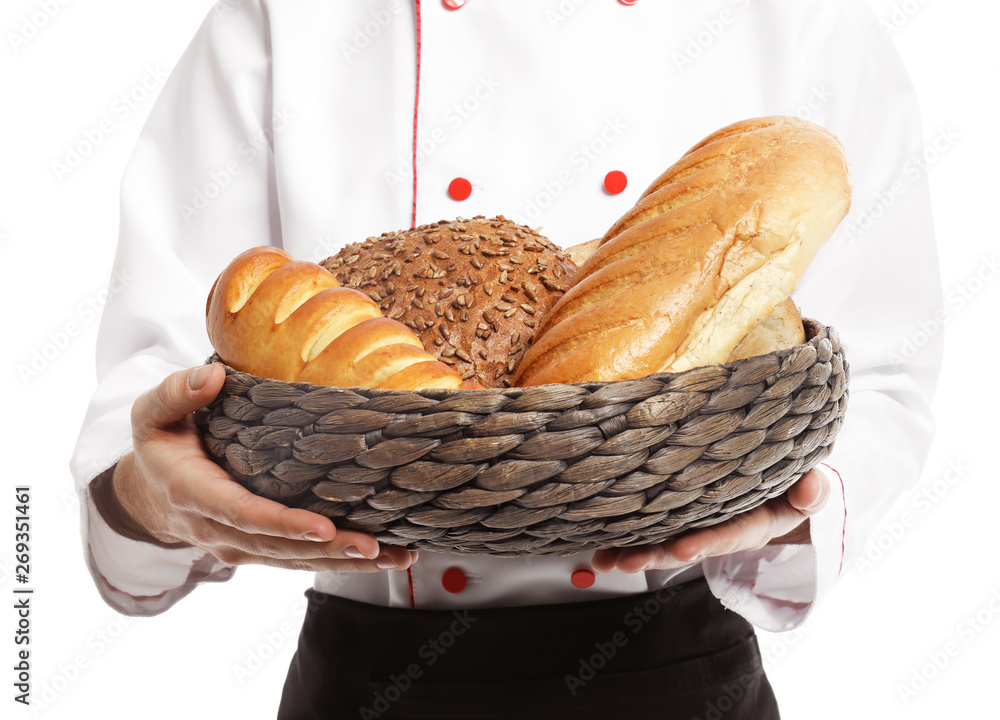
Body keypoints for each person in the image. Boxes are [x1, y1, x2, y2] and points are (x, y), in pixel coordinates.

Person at [71, 1, 942, 717]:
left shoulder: (802, 17)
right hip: (368, 684)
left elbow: (882, 379)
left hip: (680, 677)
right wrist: (157, 500)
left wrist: (787, 508)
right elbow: (143, 426)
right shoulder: (284, 20)